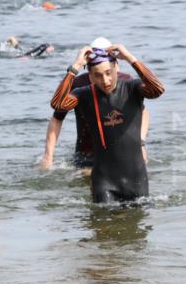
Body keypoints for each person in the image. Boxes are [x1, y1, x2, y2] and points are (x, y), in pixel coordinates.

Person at [50, 39, 164, 204]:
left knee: (137, 228)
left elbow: (158, 89)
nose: (105, 80)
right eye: (97, 75)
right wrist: (75, 65)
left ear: (116, 66)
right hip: (104, 182)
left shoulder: (132, 88)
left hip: (136, 180)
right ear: (90, 75)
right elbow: (57, 104)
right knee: (103, 226)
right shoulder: (84, 95)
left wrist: (130, 57)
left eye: (108, 72)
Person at [41, 71, 150, 170]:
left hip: (123, 153)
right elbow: (57, 118)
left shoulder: (126, 81)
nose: (105, 79)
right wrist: (48, 156)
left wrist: (140, 144)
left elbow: (143, 111)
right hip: (86, 154)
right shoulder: (78, 85)